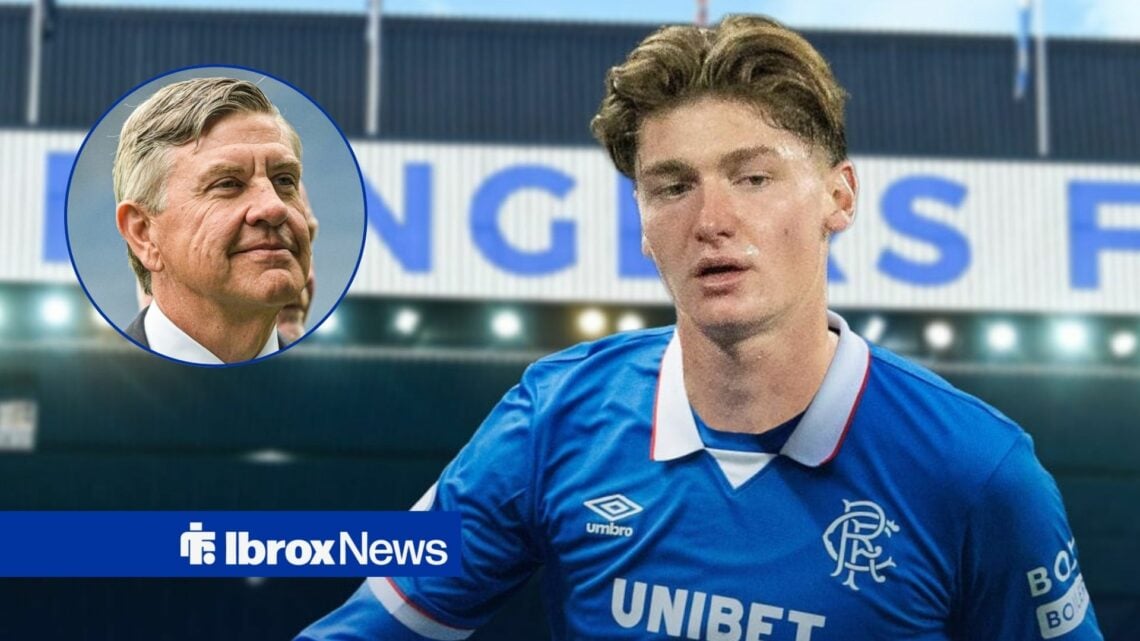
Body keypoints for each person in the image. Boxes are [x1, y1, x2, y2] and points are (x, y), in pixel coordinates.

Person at [298, 15, 1102, 640]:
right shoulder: (554, 420)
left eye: (753, 177)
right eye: (671, 186)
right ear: (643, 224)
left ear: (839, 198)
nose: (712, 219)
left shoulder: (980, 473)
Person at [114, 77, 313, 364]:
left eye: (284, 180)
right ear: (143, 233)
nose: (273, 207)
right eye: (228, 184)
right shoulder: (79, 399)